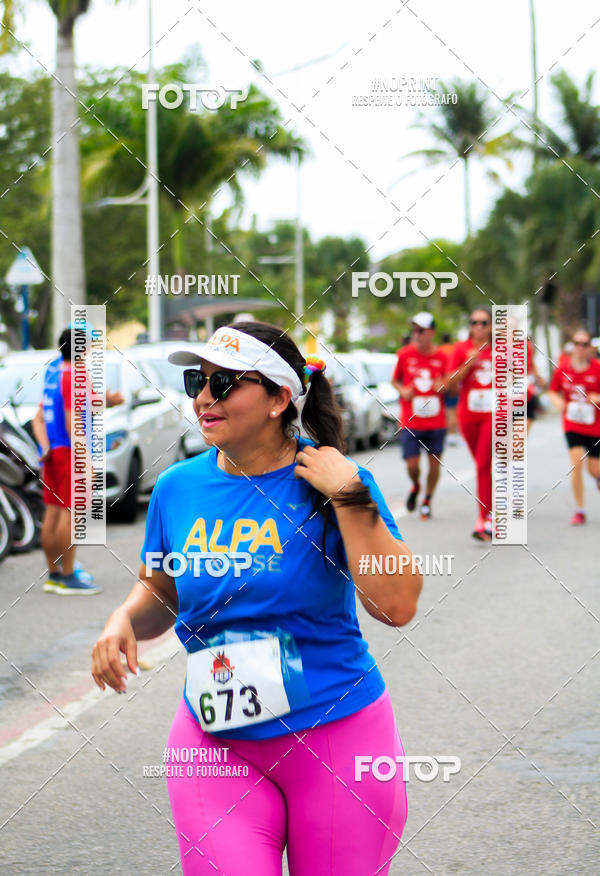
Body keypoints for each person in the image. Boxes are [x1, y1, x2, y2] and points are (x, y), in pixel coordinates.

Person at [92, 321, 422, 876]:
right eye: (198, 380)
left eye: (224, 384)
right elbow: (162, 588)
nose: (202, 397)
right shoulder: (177, 487)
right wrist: (123, 619)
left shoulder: (333, 479)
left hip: (337, 734)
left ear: (278, 399)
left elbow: (396, 605)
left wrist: (350, 496)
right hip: (214, 743)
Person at [32, 326, 124, 594]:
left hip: (53, 453)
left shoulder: (53, 371)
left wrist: (44, 445)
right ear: (82, 348)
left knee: (52, 512)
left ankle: (54, 574)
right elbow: (74, 423)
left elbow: (39, 417)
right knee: (70, 513)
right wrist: (86, 461)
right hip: (70, 452)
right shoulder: (76, 376)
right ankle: (69, 576)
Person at [391, 312, 447, 519]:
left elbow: (451, 384)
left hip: (436, 421)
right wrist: (403, 391)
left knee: (434, 464)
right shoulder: (404, 355)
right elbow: (395, 380)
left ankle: (427, 499)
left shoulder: (442, 357)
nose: (416, 334)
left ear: (432, 332)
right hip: (411, 420)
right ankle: (415, 485)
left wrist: (444, 385)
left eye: (421, 330)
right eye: (414, 330)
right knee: (412, 464)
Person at [445, 308, 494, 540]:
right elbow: (450, 383)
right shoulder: (461, 348)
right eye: (475, 322)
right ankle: (491, 512)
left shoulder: (500, 349)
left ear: (492, 326)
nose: (479, 327)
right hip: (469, 413)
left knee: (483, 464)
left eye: (484, 322)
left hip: (493, 414)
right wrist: (468, 364)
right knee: (481, 464)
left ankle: (483, 520)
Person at [548, 328, 600, 525]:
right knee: (576, 464)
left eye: (584, 344)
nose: (579, 348)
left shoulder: (597, 368)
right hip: (572, 423)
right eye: (576, 343)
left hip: (595, 426)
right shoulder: (562, 369)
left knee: (594, 470)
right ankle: (580, 509)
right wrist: (558, 402)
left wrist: (597, 397)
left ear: (590, 348)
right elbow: (553, 391)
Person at [438, 331, 459, 445]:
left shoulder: (439, 350)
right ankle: (451, 434)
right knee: (452, 410)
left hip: (441, 383)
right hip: (452, 383)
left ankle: (447, 434)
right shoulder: (453, 349)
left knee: (443, 410)